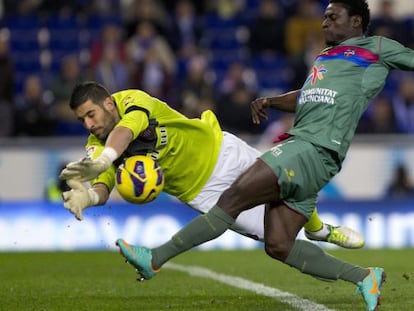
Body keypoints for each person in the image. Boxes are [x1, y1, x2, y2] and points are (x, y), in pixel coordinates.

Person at [106, 0, 405, 309]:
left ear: (356, 22)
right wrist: (272, 101)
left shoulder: (376, 47)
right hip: (309, 151)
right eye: (324, 16)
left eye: (333, 16)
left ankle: (154, 258)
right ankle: (364, 276)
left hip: (312, 148)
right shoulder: (326, 58)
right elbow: (309, 97)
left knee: (233, 199)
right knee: (278, 244)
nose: (324, 22)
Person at [58, 81, 364, 249]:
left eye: (90, 114)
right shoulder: (96, 144)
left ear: (108, 103)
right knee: (274, 236)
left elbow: (127, 131)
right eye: (81, 120)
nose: (88, 124)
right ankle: (318, 242)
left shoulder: (133, 101)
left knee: (284, 183)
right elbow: (106, 180)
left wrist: (104, 159)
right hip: (202, 191)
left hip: (220, 149)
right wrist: (92, 196)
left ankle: (321, 229)